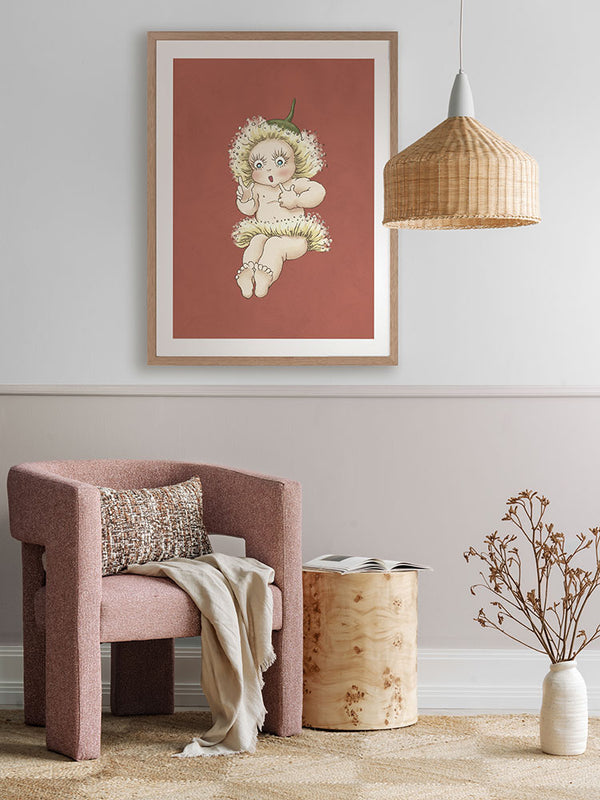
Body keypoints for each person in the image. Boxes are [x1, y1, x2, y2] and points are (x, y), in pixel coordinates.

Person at [229, 100, 331, 298]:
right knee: (257, 241)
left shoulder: (294, 183)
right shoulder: (257, 187)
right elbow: (249, 210)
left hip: (293, 236)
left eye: (279, 161)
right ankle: (248, 272)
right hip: (265, 231)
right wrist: (246, 198)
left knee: (274, 246)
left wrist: (296, 200)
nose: (269, 169)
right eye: (259, 164)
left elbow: (318, 192)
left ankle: (265, 277)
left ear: (297, 161)